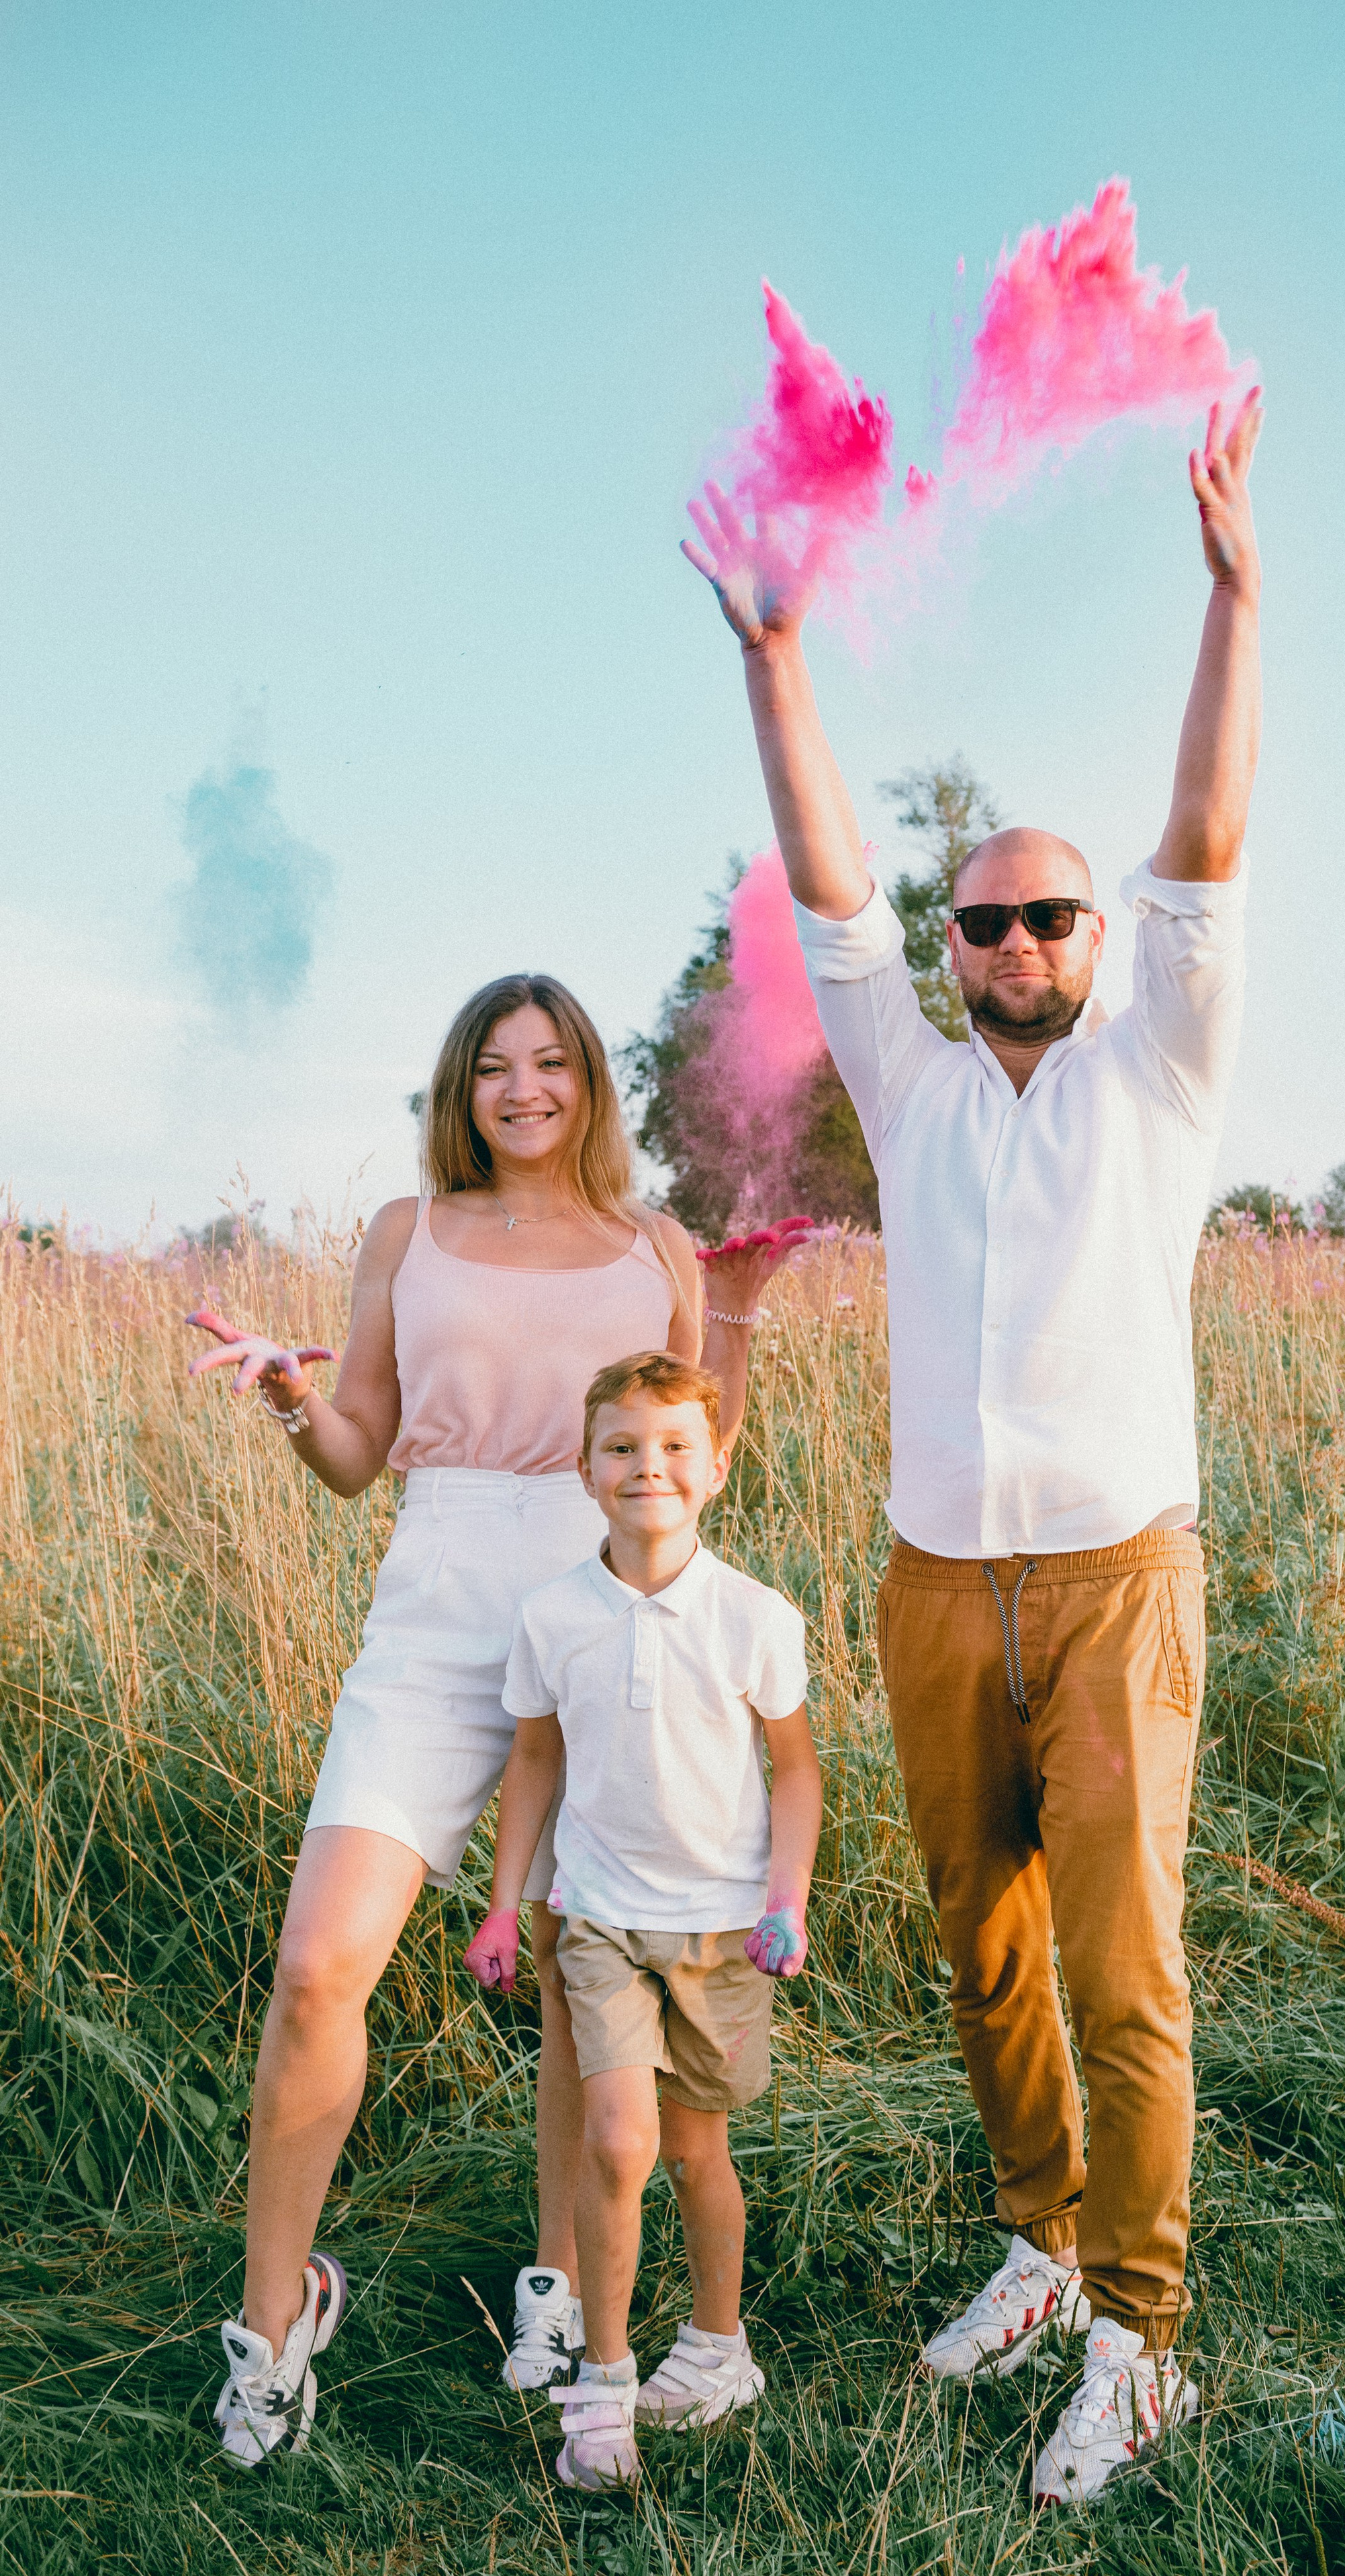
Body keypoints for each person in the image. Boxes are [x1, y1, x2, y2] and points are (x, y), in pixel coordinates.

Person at [683, 391, 1263, 2504]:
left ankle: (1141, 2330)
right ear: (952, 950)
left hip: (1114, 1580)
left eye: (1051, 918)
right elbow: (830, 878)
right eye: (986, 922)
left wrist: (1233, 596)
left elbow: (1204, 836)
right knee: (983, 1942)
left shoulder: (1159, 1077)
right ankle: (1041, 2238)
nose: (1017, 943)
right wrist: (777, 662)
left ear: (1098, 944)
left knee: (1124, 1966)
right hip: (938, 1582)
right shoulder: (916, 1088)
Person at [186, 969, 808, 2465]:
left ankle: (558, 2287)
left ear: (589, 1080)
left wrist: (733, 1311)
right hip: (438, 1606)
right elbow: (358, 1450)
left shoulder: (653, 1242)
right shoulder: (406, 1230)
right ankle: (275, 2326)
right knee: (318, 1966)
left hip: (603, 1610)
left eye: (550, 1063)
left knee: (575, 1968)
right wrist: (287, 1394)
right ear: (461, 1090)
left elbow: (691, 1441)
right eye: (493, 1068)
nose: (523, 1090)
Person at [463, 1349, 822, 2491]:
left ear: (715, 1469)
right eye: (621, 1447)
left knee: (693, 2149)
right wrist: (505, 1908)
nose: (647, 1467)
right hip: (602, 1923)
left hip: (723, 1932)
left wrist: (787, 1900)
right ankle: (604, 2385)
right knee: (617, 2142)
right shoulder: (554, 1615)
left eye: (673, 1448)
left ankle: (718, 2348)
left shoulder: (754, 1617)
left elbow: (797, 1770)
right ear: (585, 1471)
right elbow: (534, 1760)